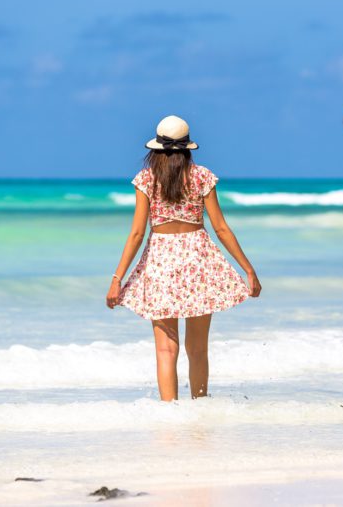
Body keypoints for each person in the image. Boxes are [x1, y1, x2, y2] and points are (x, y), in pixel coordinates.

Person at [105, 115, 262, 401]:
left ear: (155, 149)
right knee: (198, 349)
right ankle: (200, 409)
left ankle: (169, 417)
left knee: (166, 349)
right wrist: (248, 270)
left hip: (161, 262)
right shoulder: (202, 176)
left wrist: (117, 279)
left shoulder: (146, 179)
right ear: (188, 148)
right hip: (199, 260)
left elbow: (137, 234)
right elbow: (221, 228)